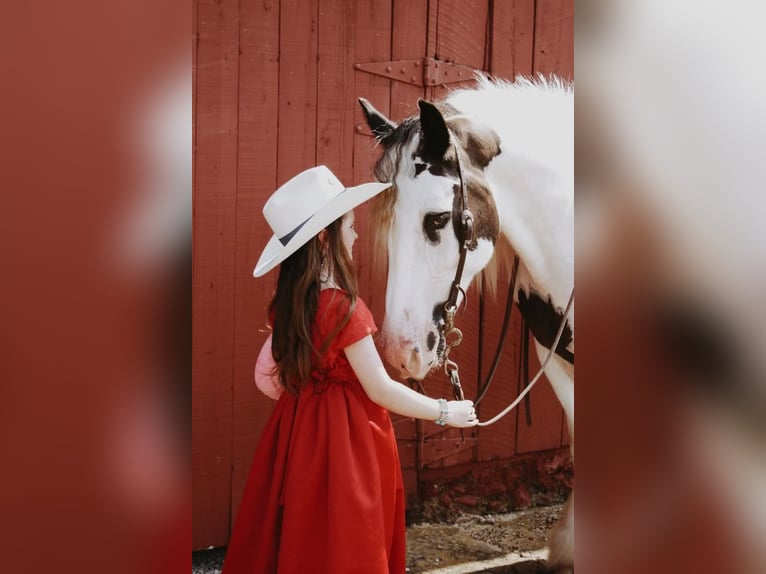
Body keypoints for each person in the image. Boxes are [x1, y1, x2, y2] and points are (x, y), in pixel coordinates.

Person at [221, 165, 477, 574]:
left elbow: (273, 375)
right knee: (346, 537)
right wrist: (446, 412)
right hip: (346, 445)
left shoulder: (290, 304)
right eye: (351, 227)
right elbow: (380, 389)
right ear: (325, 238)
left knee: (305, 529)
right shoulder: (344, 309)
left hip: (298, 435)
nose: (356, 236)